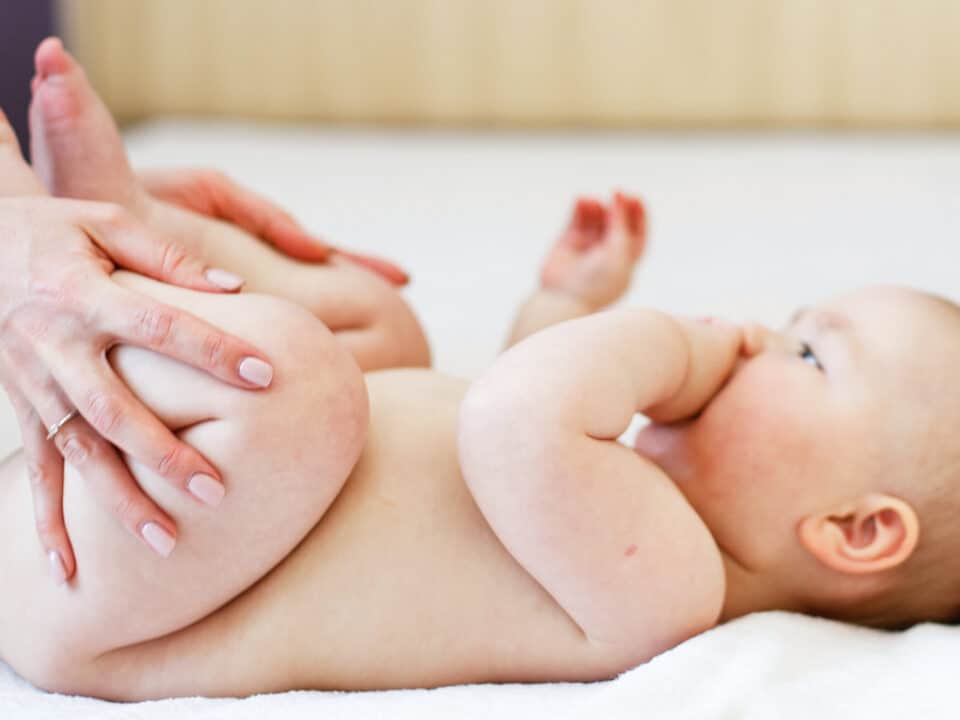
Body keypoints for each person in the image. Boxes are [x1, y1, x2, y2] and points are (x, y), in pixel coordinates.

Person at [2, 39, 959, 702]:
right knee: (389, 332)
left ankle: (127, 284)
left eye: (807, 353)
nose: (753, 334)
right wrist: (566, 306)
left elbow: (514, 416)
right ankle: (129, 243)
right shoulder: (620, 509)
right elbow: (511, 393)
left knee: (302, 382)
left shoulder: (676, 589)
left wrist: (669, 339)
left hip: (114, 596)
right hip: (170, 534)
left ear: (856, 531)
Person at [0, 37, 411, 585]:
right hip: (48, 571)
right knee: (296, 375)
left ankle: (117, 238)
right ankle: (114, 259)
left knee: (386, 323)